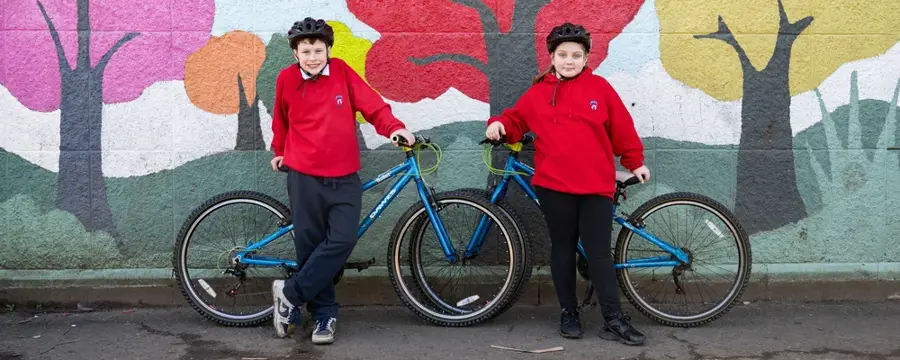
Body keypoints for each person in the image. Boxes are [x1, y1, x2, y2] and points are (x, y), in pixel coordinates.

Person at [485, 22, 649, 346]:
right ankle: (569, 312)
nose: (569, 60)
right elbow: (516, 120)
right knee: (562, 249)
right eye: (563, 54)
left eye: (576, 54)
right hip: (555, 187)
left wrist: (635, 161)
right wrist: (499, 124)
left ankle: (613, 318)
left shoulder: (600, 89)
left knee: (599, 253)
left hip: (595, 187)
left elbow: (621, 128)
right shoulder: (538, 93)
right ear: (552, 57)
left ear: (586, 58)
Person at [269, 17, 415, 344]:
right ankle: (325, 315)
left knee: (342, 241)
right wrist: (279, 149)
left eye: (318, 50)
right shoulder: (286, 80)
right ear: (295, 53)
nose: (312, 57)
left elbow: (372, 105)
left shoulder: (343, 74)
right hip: (304, 176)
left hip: (344, 174)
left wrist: (394, 127)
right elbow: (281, 119)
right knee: (309, 247)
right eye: (305, 51)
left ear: (328, 50)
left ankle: (289, 293)